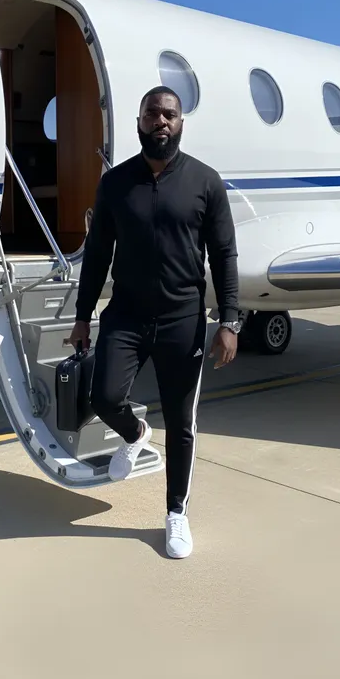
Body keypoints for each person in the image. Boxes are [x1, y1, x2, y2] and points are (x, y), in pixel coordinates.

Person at [69, 86, 240, 559]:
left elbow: (225, 256)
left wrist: (230, 320)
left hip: (183, 318)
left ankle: (175, 514)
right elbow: (99, 253)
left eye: (170, 114)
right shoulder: (116, 183)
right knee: (102, 396)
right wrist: (82, 316)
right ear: (139, 122)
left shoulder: (206, 182)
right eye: (152, 114)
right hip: (126, 314)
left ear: (180, 123)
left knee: (182, 423)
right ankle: (136, 436)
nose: (161, 121)